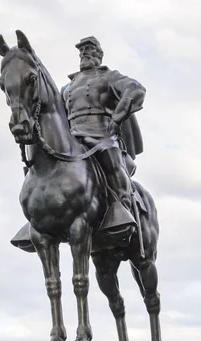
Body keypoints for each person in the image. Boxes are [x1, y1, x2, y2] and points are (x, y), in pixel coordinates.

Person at [61, 36, 146, 239]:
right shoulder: (67, 88)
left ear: (99, 55)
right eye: (82, 52)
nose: (84, 55)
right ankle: (37, 216)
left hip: (101, 134)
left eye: (90, 51)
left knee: (111, 156)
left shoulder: (109, 76)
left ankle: (122, 210)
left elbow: (136, 89)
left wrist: (117, 118)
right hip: (72, 139)